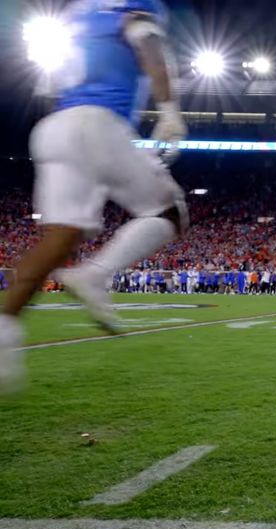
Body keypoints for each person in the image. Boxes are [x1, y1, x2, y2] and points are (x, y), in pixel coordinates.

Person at [0, 0, 188, 393]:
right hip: (98, 121)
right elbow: (150, 45)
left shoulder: (75, 17)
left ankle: (5, 326)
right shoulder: (130, 9)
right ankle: (95, 275)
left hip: (54, 127)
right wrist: (169, 110)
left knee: (60, 237)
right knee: (170, 213)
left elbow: (51, 85)